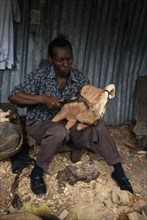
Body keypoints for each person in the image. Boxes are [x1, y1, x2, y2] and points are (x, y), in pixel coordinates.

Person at [8, 36, 133, 196]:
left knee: (98, 125)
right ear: (51, 59)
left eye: (69, 59)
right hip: (40, 122)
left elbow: (85, 107)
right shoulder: (40, 75)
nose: (66, 64)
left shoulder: (79, 78)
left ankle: (118, 171)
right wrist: (42, 98)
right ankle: (37, 171)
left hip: (70, 123)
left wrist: (93, 105)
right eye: (60, 60)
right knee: (58, 132)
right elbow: (13, 96)